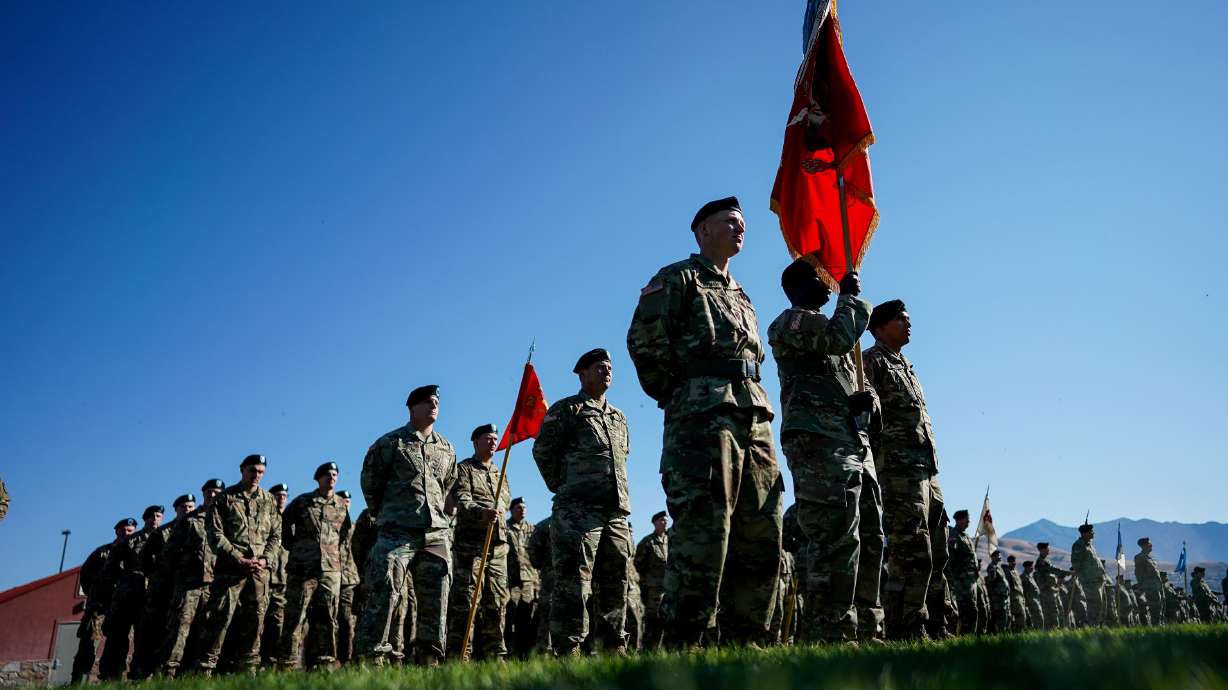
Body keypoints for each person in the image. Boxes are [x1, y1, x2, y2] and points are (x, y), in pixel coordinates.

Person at [627, 196, 784, 647]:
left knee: (762, 529)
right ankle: (683, 644)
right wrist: (682, 394)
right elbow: (644, 342)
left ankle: (747, 643)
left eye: (743, 224)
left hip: (754, 419)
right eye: (730, 222)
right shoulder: (676, 278)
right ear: (702, 232)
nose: (740, 229)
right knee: (704, 531)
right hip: (701, 419)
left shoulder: (742, 294)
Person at [767, 257, 882, 643]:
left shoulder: (833, 336)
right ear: (798, 286)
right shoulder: (790, 322)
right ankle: (827, 631)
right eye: (821, 278)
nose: (830, 283)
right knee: (833, 535)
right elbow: (836, 337)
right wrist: (850, 299)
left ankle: (865, 626)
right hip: (818, 443)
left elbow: (845, 383)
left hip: (850, 443)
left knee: (867, 535)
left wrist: (863, 406)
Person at [533, 348, 632, 656]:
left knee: (616, 581)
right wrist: (564, 486)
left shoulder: (619, 417)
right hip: (578, 510)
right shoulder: (567, 410)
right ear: (583, 374)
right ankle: (569, 650)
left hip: (615, 512)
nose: (607, 372)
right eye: (600, 367)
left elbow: (622, 457)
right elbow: (543, 451)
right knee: (573, 584)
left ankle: (612, 648)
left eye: (609, 367)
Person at [862, 299, 948, 641]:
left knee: (937, 552)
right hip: (899, 470)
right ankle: (904, 628)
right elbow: (867, 407)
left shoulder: (907, 365)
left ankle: (936, 625)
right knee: (911, 552)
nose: (908, 323)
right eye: (900, 319)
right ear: (880, 327)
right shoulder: (871, 361)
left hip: (927, 469)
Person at [356, 385, 457, 666]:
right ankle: (370, 661)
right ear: (412, 408)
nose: (433, 405)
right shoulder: (390, 443)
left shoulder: (447, 448)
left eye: (436, 401)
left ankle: (429, 662)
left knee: (437, 599)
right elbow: (370, 483)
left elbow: (446, 484)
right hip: (397, 531)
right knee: (385, 594)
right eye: (427, 402)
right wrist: (388, 514)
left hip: (435, 534)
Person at [193, 455, 283, 676]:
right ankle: (207, 668)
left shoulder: (269, 500)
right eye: (252, 470)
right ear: (242, 470)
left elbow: (276, 535)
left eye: (261, 472)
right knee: (220, 620)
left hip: (259, 572)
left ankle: (247, 669)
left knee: (255, 620)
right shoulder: (225, 498)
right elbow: (215, 533)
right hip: (231, 571)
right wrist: (237, 557)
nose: (256, 475)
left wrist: (265, 559)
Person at [447, 423, 513, 661]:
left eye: (495, 439)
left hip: (496, 547)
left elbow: (505, 501)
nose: (493, 442)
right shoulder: (464, 469)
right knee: (466, 603)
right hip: (471, 547)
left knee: (497, 603)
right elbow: (462, 498)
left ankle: (496, 656)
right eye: (488, 438)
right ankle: (460, 657)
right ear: (475, 442)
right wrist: (481, 511)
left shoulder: (500, 473)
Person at [277, 462, 351, 669]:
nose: (332, 478)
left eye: (335, 474)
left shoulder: (341, 506)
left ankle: (325, 663)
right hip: (303, 568)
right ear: (318, 478)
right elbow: (283, 523)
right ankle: (287, 663)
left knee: (328, 617)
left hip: (330, 570)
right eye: (327, 474)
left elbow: (344, 536)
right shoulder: (303, 502)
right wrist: (293, 546)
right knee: (295, 616)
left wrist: (335, 556)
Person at [160, 480, 224, 677]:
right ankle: (169, 674)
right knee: (179, 631)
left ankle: (195, 676)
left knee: (206, 632)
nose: (213, 495)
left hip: (213, 586)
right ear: (203, 493)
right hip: (189, 585)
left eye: (217, 492)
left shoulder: (225, 520)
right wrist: (178, 575)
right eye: (210, 492)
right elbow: (168, 553)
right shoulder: (189, 520)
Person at [132, 494, 195, 678]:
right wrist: (157, 576)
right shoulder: (163, 532)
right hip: (162, 592)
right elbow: (143, 559)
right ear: (176, 509)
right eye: (183, 507)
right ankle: (142, 675)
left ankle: (174, 674)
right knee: (152, 632)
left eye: (191, 507)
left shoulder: (199, 527)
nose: (187, 510)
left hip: (186, 590)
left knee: (180, 632)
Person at [98, 504, 163, 680]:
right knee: (117, 637)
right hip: (127, 595)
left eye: (158, 516)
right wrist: (121, 582)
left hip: (150, 596)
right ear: (145, 519)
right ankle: (111, 677)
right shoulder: (131, 540)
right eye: (151, 516)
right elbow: (109, 566)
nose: (155, 519)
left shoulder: (166, 537)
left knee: (145, 638)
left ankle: (139, 676)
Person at [71, 518, 135, 683]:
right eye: (123, 531)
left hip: (121, 608)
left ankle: (111, 682)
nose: (126, 534)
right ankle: (78, 683)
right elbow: (85, 574)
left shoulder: (135, 553)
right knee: (88, 646)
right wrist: (94, 594)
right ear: (116, 532)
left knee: (118, 646)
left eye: (130, 531)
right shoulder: (102, 552)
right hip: (99, 607)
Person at [260, 483, 291, 666]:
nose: (281, 498)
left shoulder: (290, 520)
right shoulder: (264, 517)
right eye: (278, 495)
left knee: (277, 623)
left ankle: (270, 662)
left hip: (282, 580)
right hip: (262, 578)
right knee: (256, 621)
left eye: (284, 495)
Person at [505, 497, 539, 658]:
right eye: (518, 507)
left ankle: (524, 654)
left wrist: (537, 582)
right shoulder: (504, 528)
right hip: (509, 581)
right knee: (509, 617)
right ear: (511, 510)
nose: (522, 510)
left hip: (528, 580)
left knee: (526, 617)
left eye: (524, 507)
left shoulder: (532, 529)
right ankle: (509, 652)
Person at [634, 510, 669, 651]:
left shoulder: (670, 540)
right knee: (653, 620)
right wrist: (644, 586)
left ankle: (665, 649)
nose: (665, 522)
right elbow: (638, 566)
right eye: (661, 520)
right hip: (654, 589)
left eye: (666, 520)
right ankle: (648, 649)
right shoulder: (647, 542)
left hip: (669, 588)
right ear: (654, 523)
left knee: (668, 620)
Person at [945, 510, 981, 635]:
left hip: (970, 580)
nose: (969, 521)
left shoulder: (965, 536)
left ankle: (969, 637)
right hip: (961, 581)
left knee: (972, 609)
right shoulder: (954, 536)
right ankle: (963, 636)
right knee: (966, 610)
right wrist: (954, 580)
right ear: (959, 520)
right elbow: (951, 560)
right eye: (967, 519)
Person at [336, 490, 360, 664]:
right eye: (342, 500)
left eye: (348, 501)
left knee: (347, 620)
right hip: (328, 575)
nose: (346, 503)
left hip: (349, 579)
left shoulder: (355, 526)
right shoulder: (328, 523)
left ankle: (346, 659)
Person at [1070, 523, 1106, 626]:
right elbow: (1076, 564)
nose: (1093, 533)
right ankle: (1091, 626)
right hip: (1089, 581)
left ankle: (1096, 626)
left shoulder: (1090, 545)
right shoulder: (1079, 545)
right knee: (1094, 605)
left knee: (1099, 605)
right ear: (1085, 533)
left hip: (1097, 580)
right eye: (1091, 531)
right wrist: (1084, 577)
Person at [1033, 542, 1070, 629]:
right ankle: (1052, 631)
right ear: (1041, 550)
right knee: (1052, 612)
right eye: (1046, 549)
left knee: (1058, 610)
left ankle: (1058, 629)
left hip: (1052, 590)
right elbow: (1053, 570)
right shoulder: (1041, 562)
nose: (1048, 551)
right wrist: (1068, 572)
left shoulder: (1046, 561)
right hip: (1047, 591)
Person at [1133, 537, 1164, 625]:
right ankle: (1155, 629)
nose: (1151, 545)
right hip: (1150, 587)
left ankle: (1159, 627)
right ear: (1143, 546)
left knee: (1160, 608)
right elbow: (1139, 573)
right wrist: (1143, 586)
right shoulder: (1140, 557)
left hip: (1157, 587)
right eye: (1149, 544)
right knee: (1154, 610)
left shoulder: (1150, 558)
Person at [985, 551, 1011, 633]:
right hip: (999, 598)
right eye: (997, 556)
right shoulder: (992, 567)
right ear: (993, 557)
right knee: (1001, 619)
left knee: (1007, 617)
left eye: (999, 555)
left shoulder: (998, 567)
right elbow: (991, 582)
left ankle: (1005, 635)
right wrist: (995, 595)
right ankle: (1001, 636)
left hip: (1004, 597)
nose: (999, 557)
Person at [1005, 555, 1028, 631]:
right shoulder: (1007, 572)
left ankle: (1019, 632)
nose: (1014, 563)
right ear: (1009, 562)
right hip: (1013, 598)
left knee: (1021, 616)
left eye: (1014, 561)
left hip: (1020, 597)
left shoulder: (1016, 572)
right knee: (1020, 616)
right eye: (1012, 562)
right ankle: (1017, 632)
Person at [1021, 561, 1045, 630]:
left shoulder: (1030, 577)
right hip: (1030, 601)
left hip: (1035, 600)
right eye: (1031, 567)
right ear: (1026, 567)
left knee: (1039, 617)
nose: (1032, 568)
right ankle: (1037, 632)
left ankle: (1038, 633)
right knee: (1038, 618)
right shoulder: (1024, 577)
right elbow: (1023, 591)